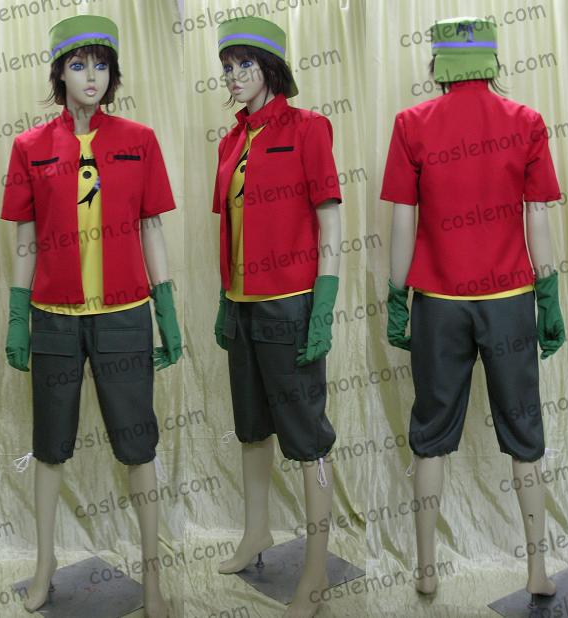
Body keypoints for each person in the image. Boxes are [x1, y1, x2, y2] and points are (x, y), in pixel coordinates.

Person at [1, 15, 180, 617]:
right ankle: (44, 563)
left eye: (101, 64)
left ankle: (152, 575)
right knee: (50, 446)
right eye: (78, 65)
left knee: (138, 444)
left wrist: (167, 310)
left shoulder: (139, 139)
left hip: (125, 317)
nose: (91, 77)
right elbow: (26, 239)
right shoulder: (29, 147)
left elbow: (151, 227)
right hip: (54, 317)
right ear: (59, 73)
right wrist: (17, 317)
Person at [381, 17, 565, 602]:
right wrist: (549, 295)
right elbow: (538, 214)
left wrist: (396, 297)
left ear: (438, 64)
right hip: (509, 302)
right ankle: (537, 569)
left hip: (438, 305)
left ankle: (425, 569)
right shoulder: (526, 122)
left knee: (430, 433)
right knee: (525, 432)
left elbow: (403, 219)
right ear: (491, 61)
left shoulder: (411, 124)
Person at [211, 16, 342, 618]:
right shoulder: (230, 141)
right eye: (227, 67)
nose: (233, 77)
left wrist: (324, 304)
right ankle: (256, 531)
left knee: (307, 436)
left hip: (290, 302)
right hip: (241, 303)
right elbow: (231, 227)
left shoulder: (309, 128)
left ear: (271, 68)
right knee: (251, 426)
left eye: (245, 64)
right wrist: (225, 297)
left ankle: (315, 569)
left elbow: (329, 219)